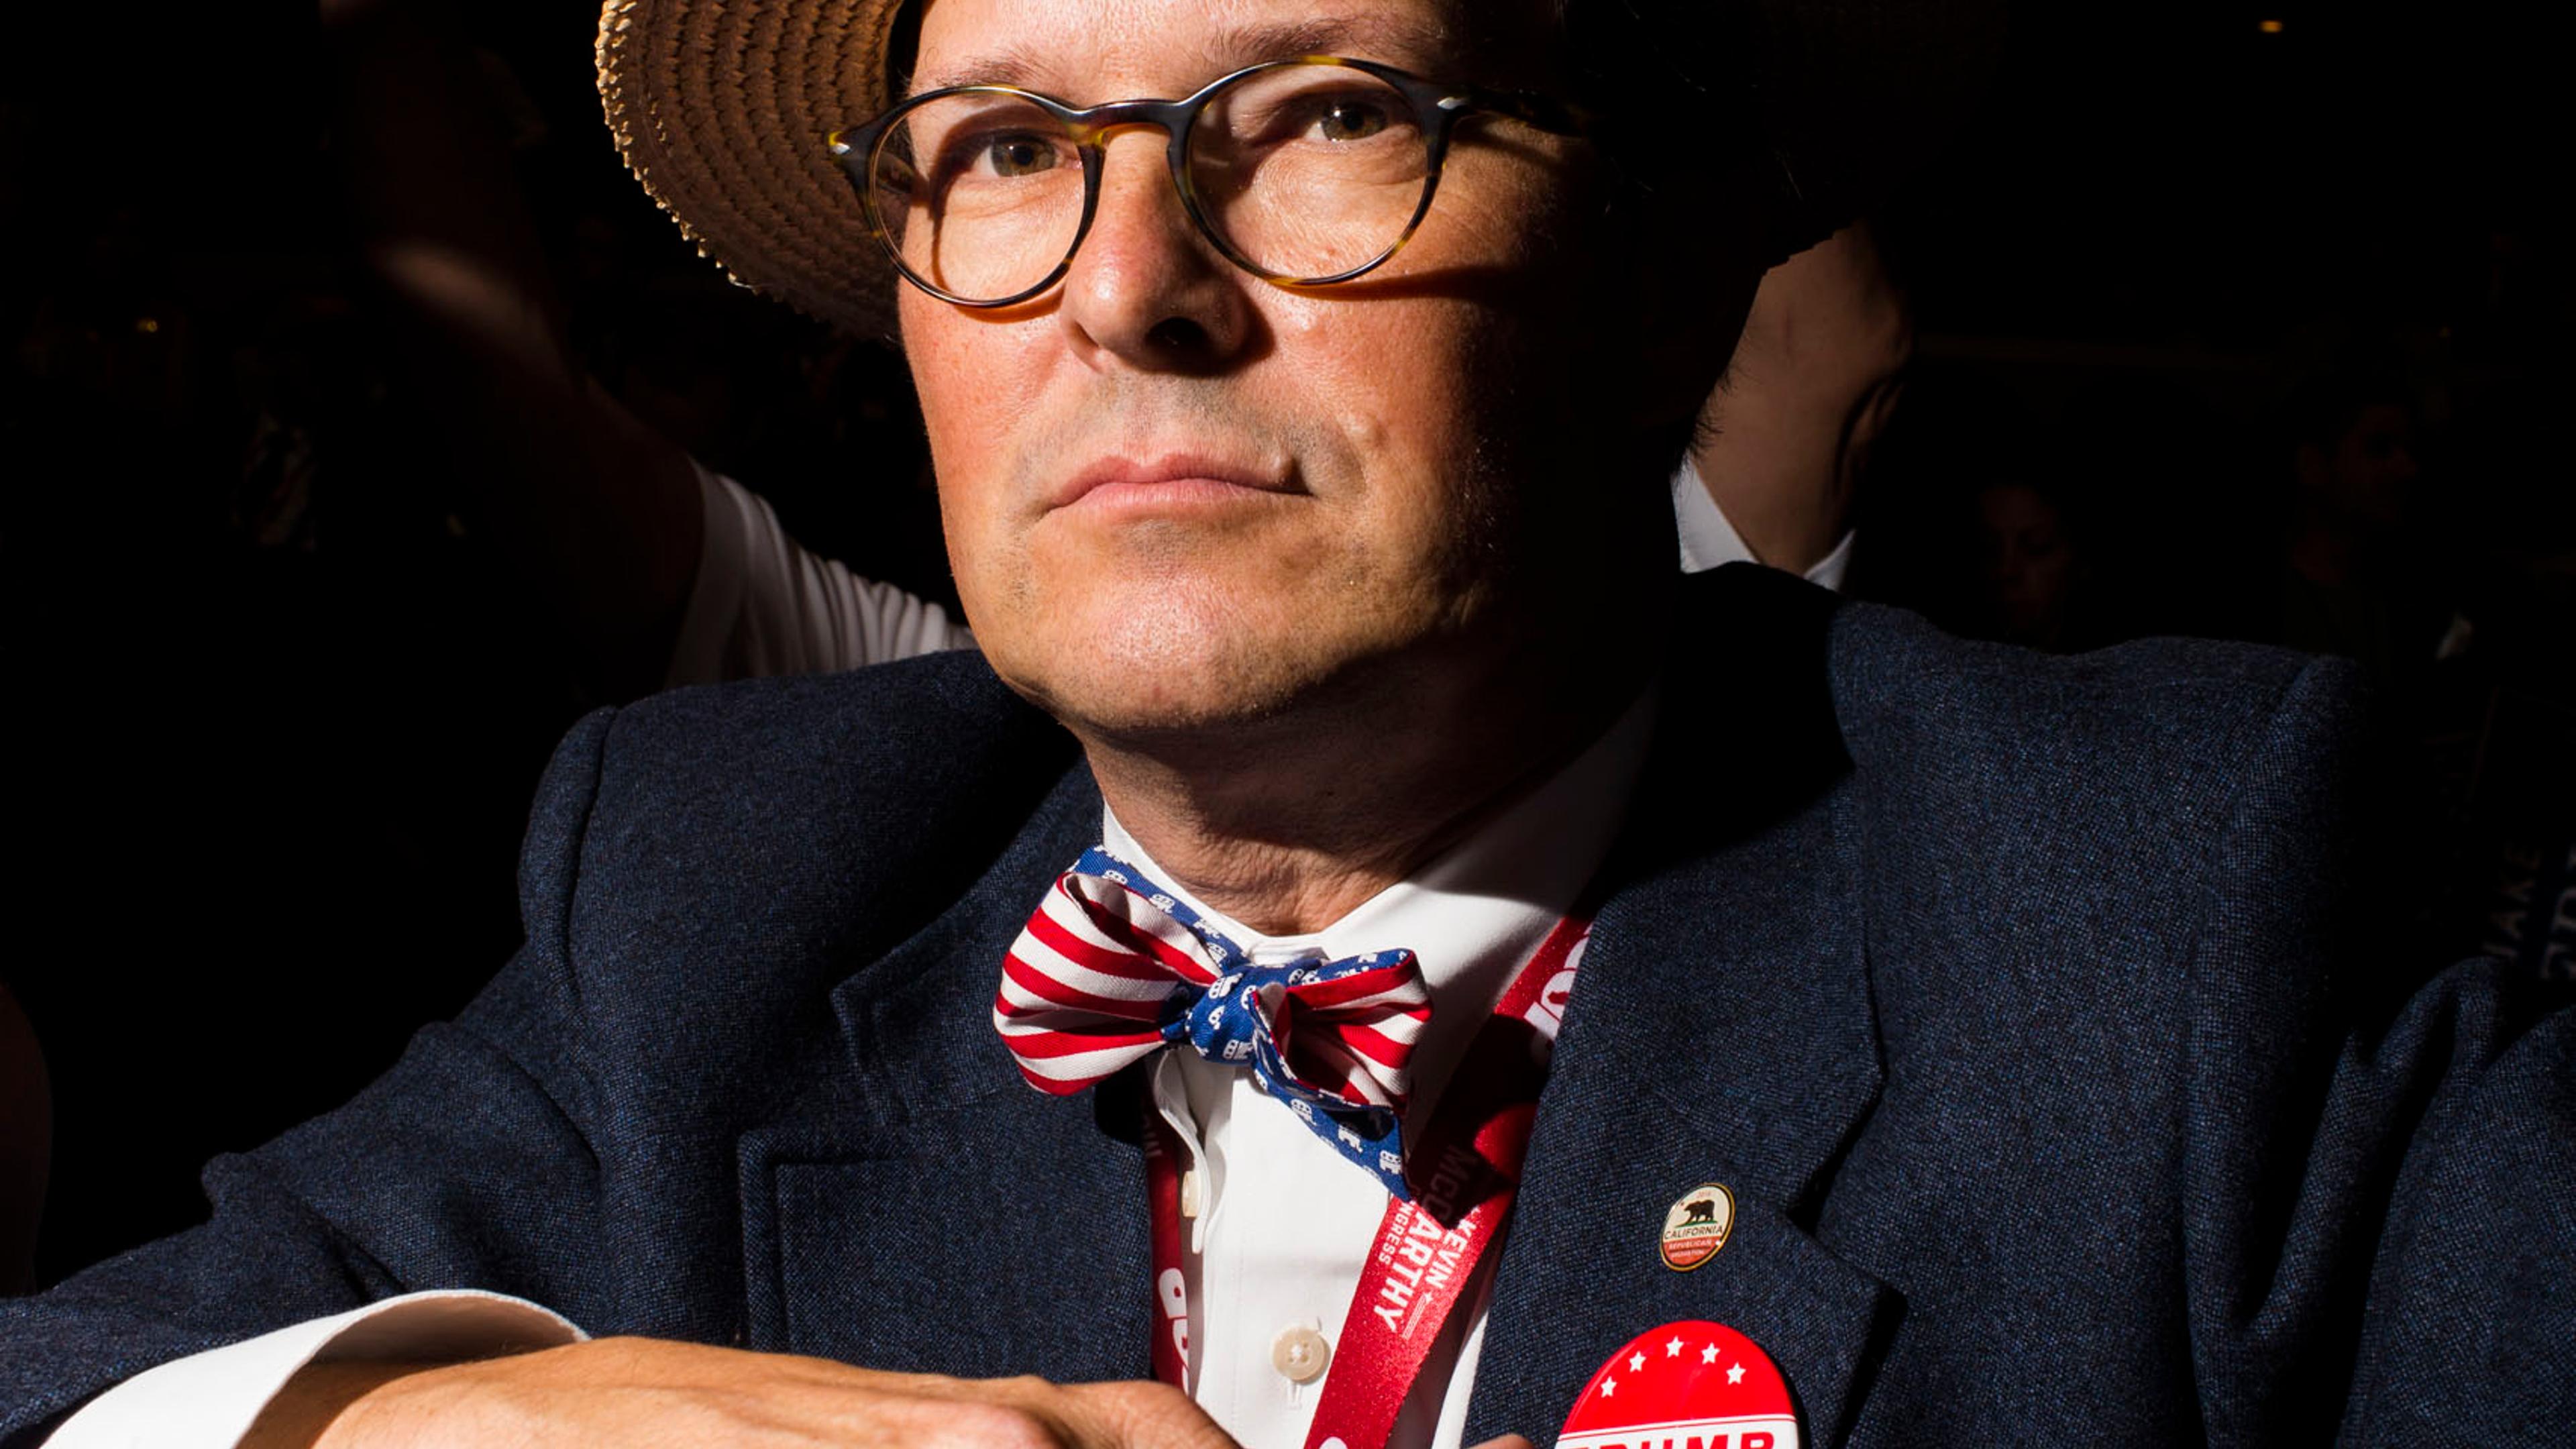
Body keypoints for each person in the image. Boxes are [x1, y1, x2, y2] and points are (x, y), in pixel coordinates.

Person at [8, 1, 2570, 1446]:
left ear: (1673, 259)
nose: (1129, 289)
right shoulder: (721, 886)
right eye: (1009, 152)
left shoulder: (2183, 919)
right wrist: (396, 1435)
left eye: (1331, 116)